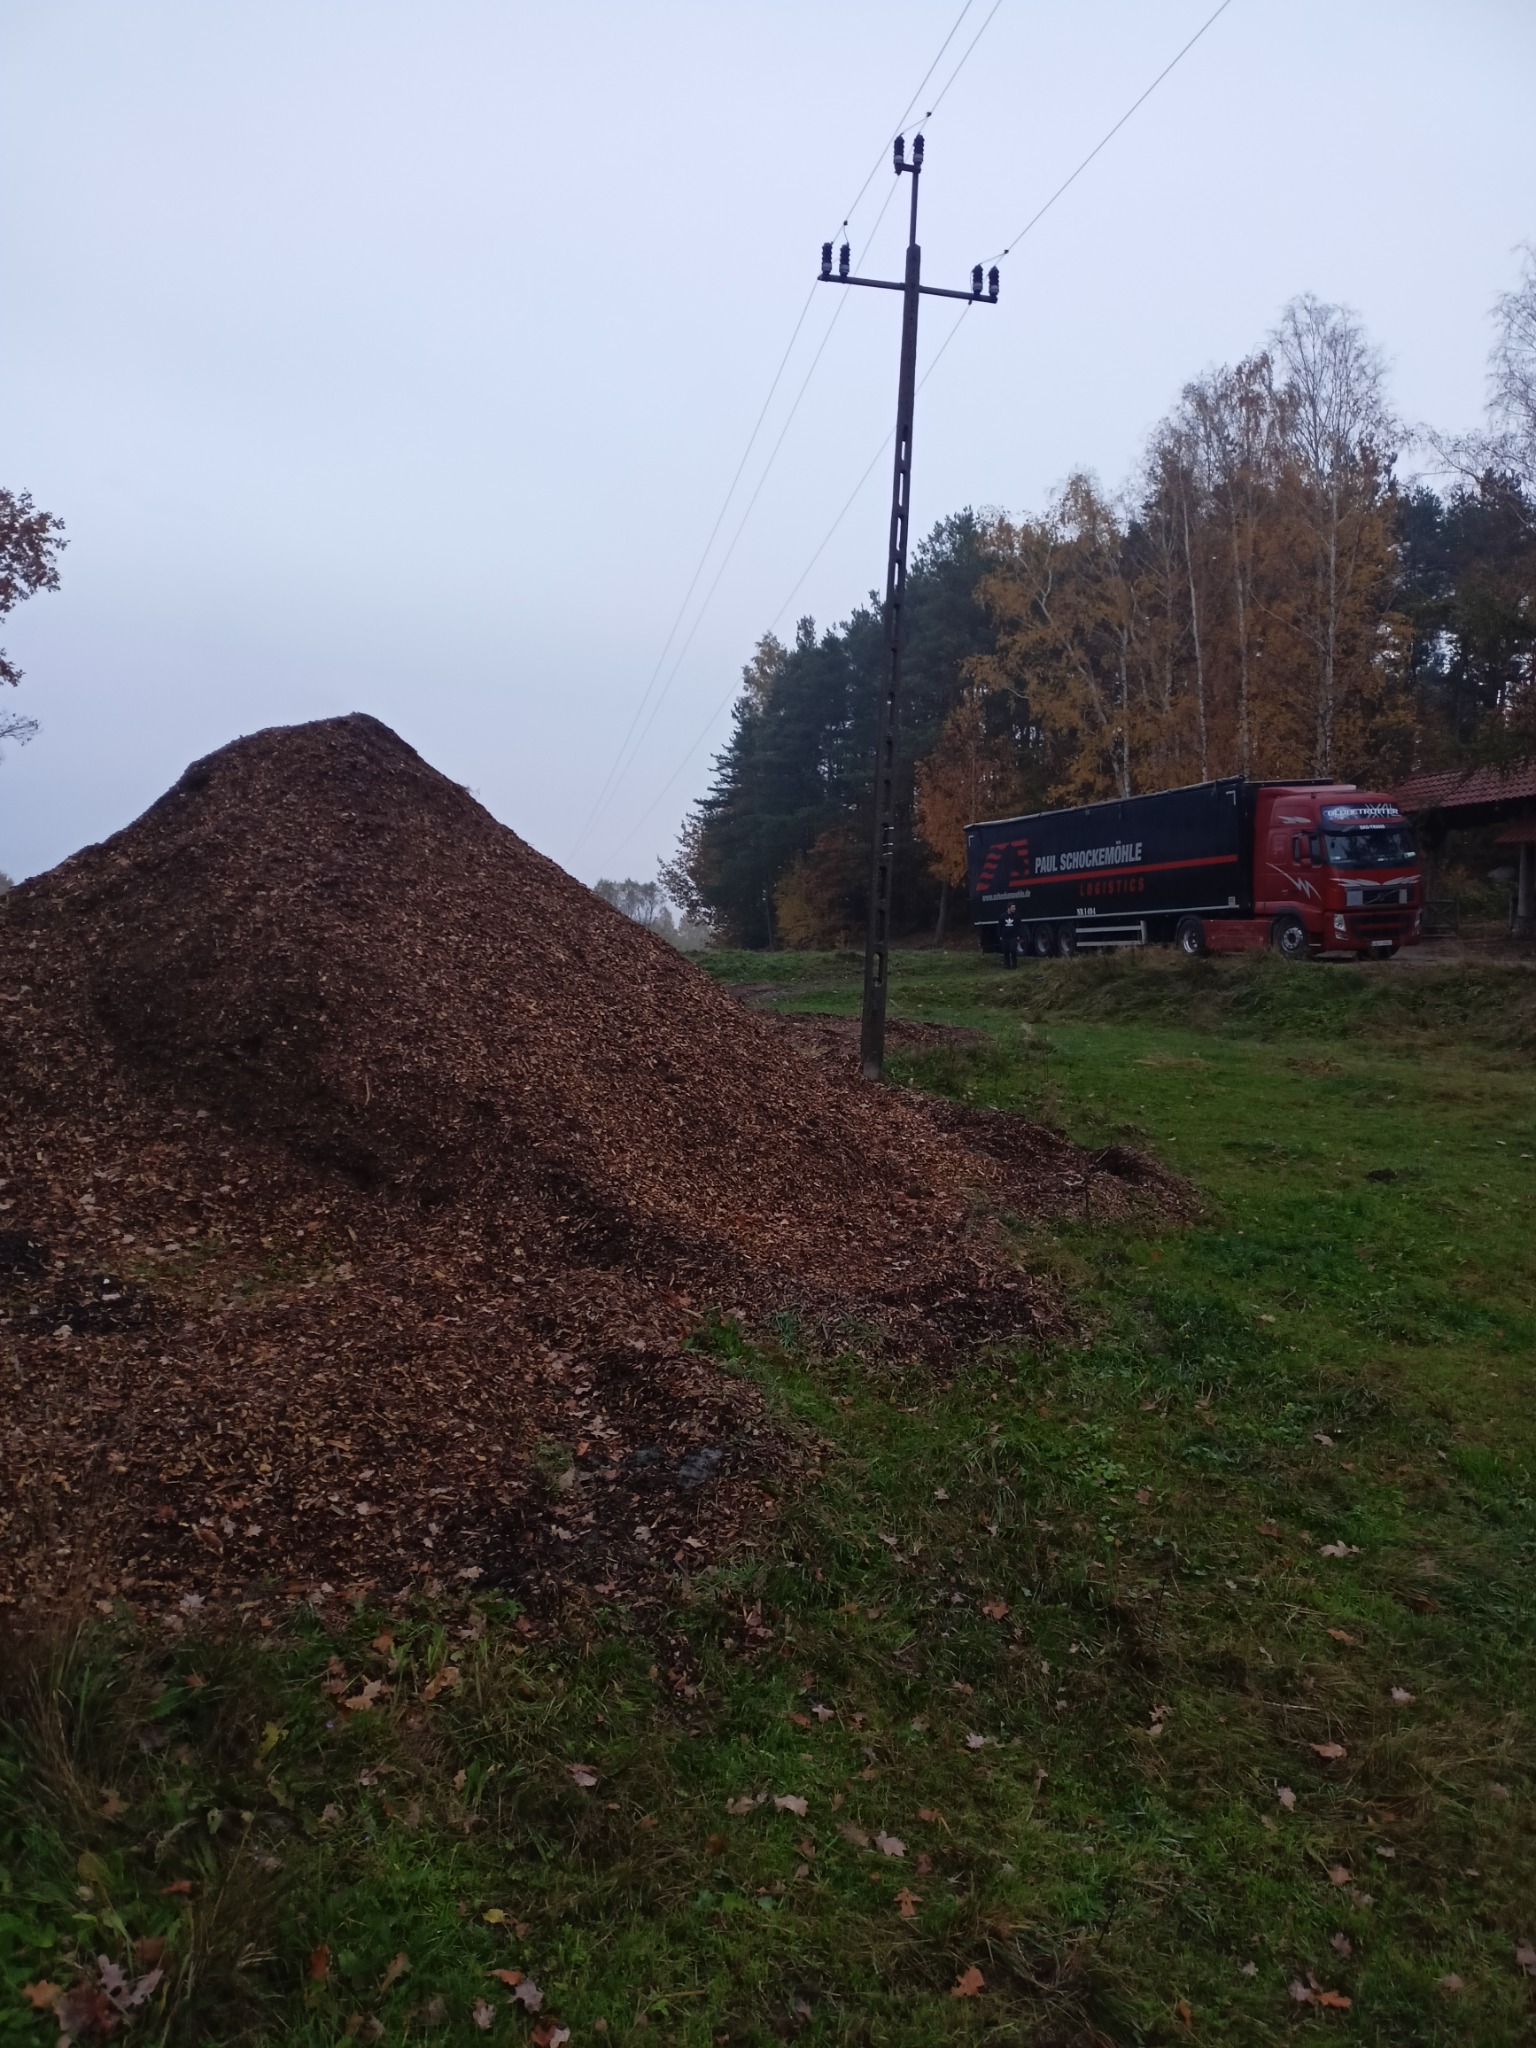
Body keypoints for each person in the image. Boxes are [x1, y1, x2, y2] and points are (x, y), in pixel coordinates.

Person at [999, 904, 1021, 969]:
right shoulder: (1003, 916)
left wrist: (1018, 935)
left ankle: (1014, 964)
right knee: (1006, 951)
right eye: (1013, 907)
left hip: (1013, 937)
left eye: (1015, 907)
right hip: (1005, 937)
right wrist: (1000, 935)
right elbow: (1000, 926)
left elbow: (1019, 926)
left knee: (1013, 950)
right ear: (1009, 908)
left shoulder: (1017, 916)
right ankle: (1007, 965)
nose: (1014, 909)